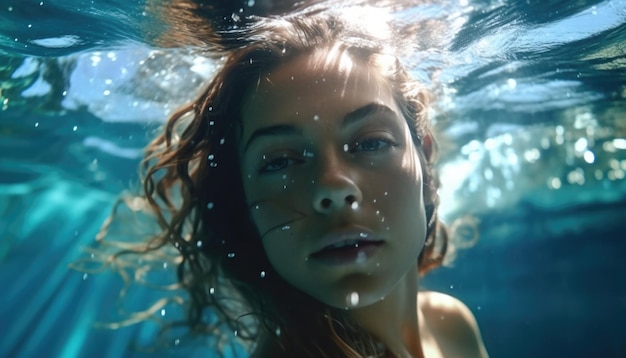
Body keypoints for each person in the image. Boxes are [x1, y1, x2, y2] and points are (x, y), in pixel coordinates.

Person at [96, 6, 488, 358]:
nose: (333, 188)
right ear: (243, 203)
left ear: (425, 153)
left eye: (371, 142)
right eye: (281, 162)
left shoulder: (450, 324)